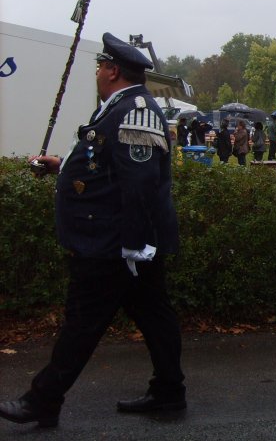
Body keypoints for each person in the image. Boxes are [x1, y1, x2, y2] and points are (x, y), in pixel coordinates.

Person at [0, 33, 185, 428]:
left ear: (113, 70)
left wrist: (133, 247)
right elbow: (104, 163)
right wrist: (62, 166)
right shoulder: (116, 108)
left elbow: (140, 184)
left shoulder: (135, 111)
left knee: (82, 322)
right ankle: (169, 391)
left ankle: (43, 400)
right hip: (118, 240)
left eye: (100, 66)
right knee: (155, 316)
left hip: (114, 244)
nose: (98, 72)